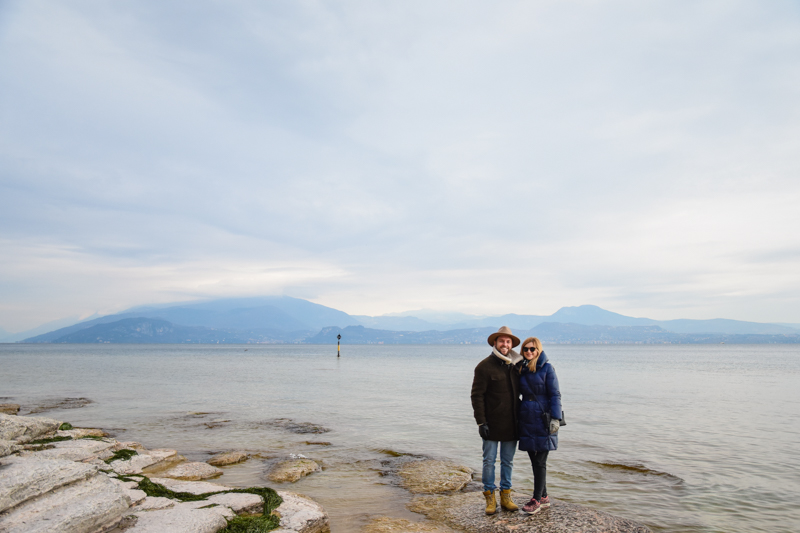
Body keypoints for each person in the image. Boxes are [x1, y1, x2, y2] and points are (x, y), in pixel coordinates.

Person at [470, 326, 523, 515]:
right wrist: (481, 422)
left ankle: (506, 496)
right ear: (495, 343)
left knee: (508, 462)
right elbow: (477, 396)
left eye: (508, 342)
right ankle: (490, 498)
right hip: (491, 424)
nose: (505, 344)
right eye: (502, 341)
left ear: (511, 345)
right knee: (489, 461)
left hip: (512, 424)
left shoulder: (516, 366)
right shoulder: (484, 366)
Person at [516, 336, 562, 515]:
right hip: (526, 417)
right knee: (534, 460)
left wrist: (555, 418)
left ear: (539, 351)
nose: (529, 352)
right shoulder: (521, 369)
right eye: (525, 349)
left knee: (540, 460)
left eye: (532, 349)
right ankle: (544, 496)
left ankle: (536, 499)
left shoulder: (547, 369)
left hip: (544, 418)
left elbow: (555, 394)